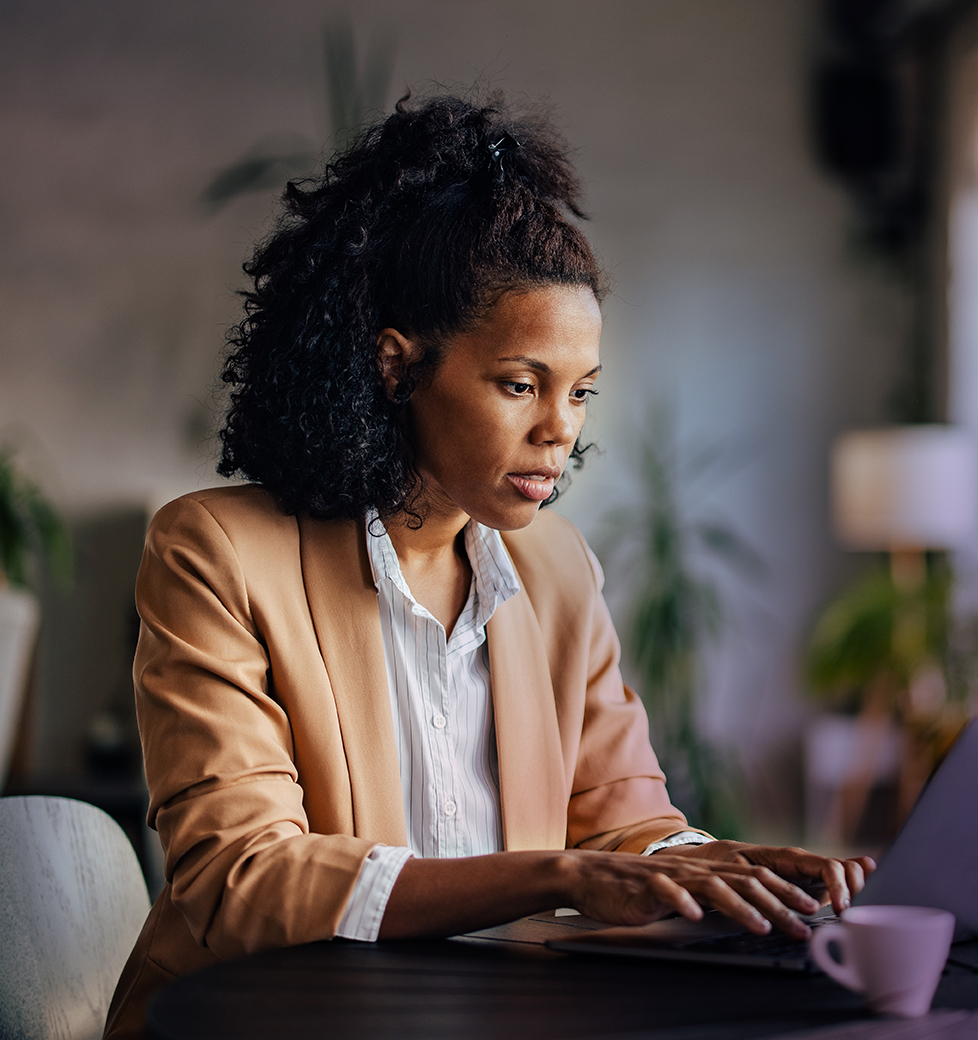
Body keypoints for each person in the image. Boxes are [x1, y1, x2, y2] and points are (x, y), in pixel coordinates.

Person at [104, 93, 873, 1039]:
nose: (560, 430)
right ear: (397, 368)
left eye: (580, 392)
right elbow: (243, 879)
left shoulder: (555, 570)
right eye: (521, 384)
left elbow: (621, 816)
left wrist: (719, 869)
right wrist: (556, 876)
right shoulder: (215, 552)